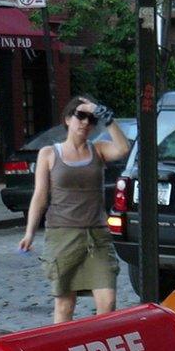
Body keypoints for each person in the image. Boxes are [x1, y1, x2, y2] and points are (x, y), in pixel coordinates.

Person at [20, 95, 128, 323]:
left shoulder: (98, 150)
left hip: (96, 237)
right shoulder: (48, 154)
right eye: (80, 116)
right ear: (68, 119)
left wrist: (103, 113)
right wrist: (29, 232)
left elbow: (123, 148)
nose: (86, 123)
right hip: (63, 235)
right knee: (65, 304)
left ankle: (100, 348)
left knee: (107, 301)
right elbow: (40, 196)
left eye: (91, 119)